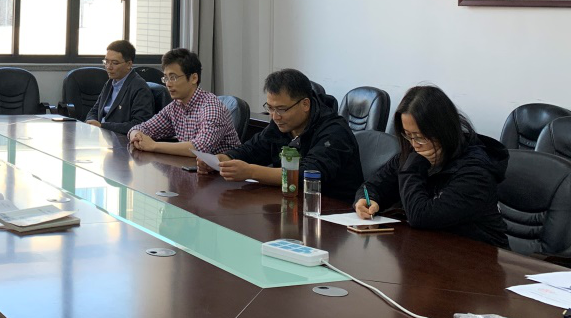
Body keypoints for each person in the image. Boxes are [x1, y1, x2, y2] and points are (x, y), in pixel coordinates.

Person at [355, 85, 509, 248]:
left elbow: (421, 216)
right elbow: (373, 185)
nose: (414, 145)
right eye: (408, 135)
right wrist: (366, 199)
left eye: (419, 137)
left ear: (443, 130)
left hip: (479, 255)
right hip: (432, 249)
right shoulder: (415, 153)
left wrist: (413, 167)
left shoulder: (475, 172)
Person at [200, 68, 361, 201]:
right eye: (270, 108)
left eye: (282, 109)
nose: (275, 116)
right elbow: (253, 149)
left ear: (305, 104)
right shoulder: (282, 124)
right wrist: (222, 160)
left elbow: (308, 173)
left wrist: (250, 172)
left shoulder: (334, 131)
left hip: (332, 210)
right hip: (291, 202)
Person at [127, 48, 239, 156]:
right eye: (166, 78)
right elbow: (141, 128)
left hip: (221, 168)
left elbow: (201, 147)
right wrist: (136, 136)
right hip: (190, 166)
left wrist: (154, 146)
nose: (168, 84)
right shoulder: (175, 106)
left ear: (194, 78)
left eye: (173, 77)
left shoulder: (211, 107)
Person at [85, 39, 155, 134]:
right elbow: (95, 110)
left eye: (114, 63)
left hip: (120, 139)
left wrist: (102, 126)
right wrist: (91, 122)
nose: (108, 67)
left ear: (129, 64)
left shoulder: (139, 88)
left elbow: (139, 125)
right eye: (106, 62)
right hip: (101, 135)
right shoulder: (110, 82)